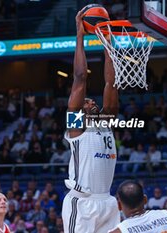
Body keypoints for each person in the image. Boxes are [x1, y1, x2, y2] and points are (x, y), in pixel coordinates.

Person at [62, 8, 120, 233]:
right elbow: (80, 77)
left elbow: (111, 83)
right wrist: (80, 35)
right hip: (82, 203)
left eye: (91, 101)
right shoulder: (77, 127)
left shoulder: (106, 119)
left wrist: (107, 44)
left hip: (107, 201)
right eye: (85, 102)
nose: (91, 103)